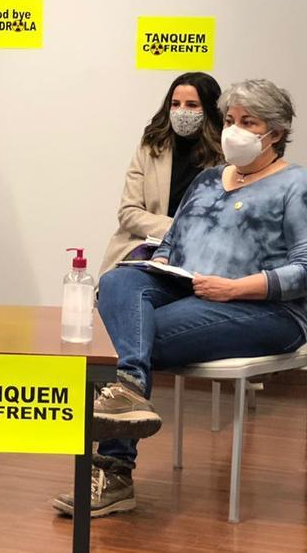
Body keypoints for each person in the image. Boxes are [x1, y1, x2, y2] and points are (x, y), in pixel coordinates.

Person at [53, 79, 307, 518]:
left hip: (264, 309)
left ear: (277, 133)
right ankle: (130, 387)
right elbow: (174, 241)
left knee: (129, 337)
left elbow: (305, 269)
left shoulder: (295, 185)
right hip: (191, 289)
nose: (234, 131)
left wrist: (235, 288)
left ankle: (114, 470)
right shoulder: (209, 180)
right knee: (116, 282)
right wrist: (164, 261)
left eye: (249, 123)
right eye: (229, 120)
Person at [99, 72, 224, 275]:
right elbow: (129, 212)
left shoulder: (225, 157)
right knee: (121, 284)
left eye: (192, 105)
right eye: (175, 104)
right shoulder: (151, 146)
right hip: (144, 248)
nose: (181, 111)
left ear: (210, 110)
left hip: (202, 256)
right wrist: (177, 229)